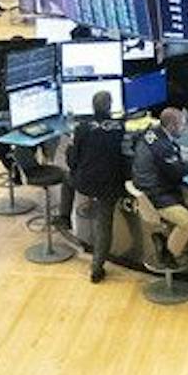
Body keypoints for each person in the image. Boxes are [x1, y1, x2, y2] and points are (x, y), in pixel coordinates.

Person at [64, 89, 128, 283]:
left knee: (67, 178)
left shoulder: (82, 128)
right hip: (109, 185)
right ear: (110, 107)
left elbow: (73, 160)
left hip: (84, 182)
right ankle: (96, 269)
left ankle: (64, 217)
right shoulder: (119, 128)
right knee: (104, 225)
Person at [131, 105, 188, 265]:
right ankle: (168, 256)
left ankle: (174, 238)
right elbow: (178, 171)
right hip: (156, 194)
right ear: (171, 126)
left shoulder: (153, 133)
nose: (184, 128)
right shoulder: (163, 147)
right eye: (182, 124)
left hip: (158, 185)